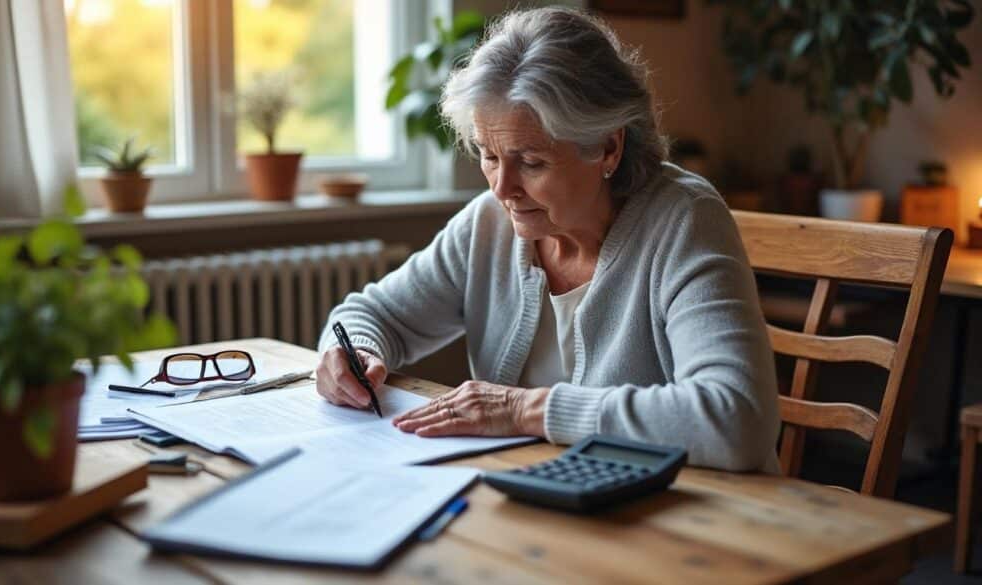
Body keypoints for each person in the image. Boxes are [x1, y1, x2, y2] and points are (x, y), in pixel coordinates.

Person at [315, 6, 780, 471]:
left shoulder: (684, 220)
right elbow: (371, 314)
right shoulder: (489, 224)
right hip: (543, 500)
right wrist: (354, 352)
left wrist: (523, 410)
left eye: (531, 162)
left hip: (688, 515)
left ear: (608, 147)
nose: (502, 188)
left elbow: (736, 419)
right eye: (488, 155)